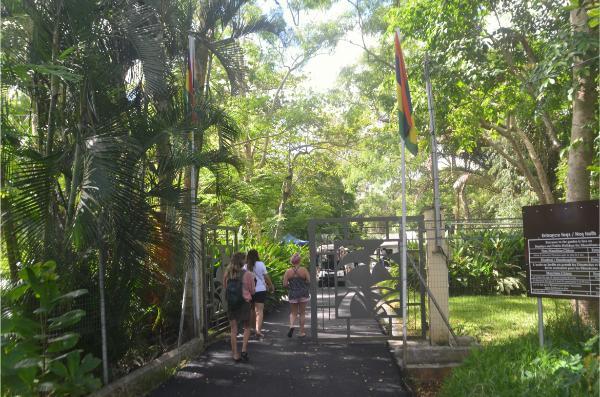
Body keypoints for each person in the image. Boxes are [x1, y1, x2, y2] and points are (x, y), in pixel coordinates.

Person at [223, 252, 255, 362]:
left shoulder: (227, 274)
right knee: (247, 327)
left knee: (233, 330)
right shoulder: (248, 274)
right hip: (245, 303)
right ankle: (244, 350)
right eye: (245, 259)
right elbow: (253, 291)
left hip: (231, 303)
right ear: (242, 261)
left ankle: (235, 354)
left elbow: (225, 287)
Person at [245, 249, 274, 338]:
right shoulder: (261, 264)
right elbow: (266, 277)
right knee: (259, 311)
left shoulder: (245, 266)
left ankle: (252, 329)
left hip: (250, 291)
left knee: (251, 310)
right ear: (257, 255)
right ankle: (258, 330)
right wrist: (271, 285)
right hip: (260, 290)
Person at [283, 252, 310, 338]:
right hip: (303, 293)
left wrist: (291, 285)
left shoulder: (288, 272)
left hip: (293, 293)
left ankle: (291, 326)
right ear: (300, 261)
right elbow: (308, 281)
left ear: (292, 261)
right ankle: (301, 332)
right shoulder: (304, 270)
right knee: (302, 313)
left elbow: (284, 284)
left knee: (293, 312)